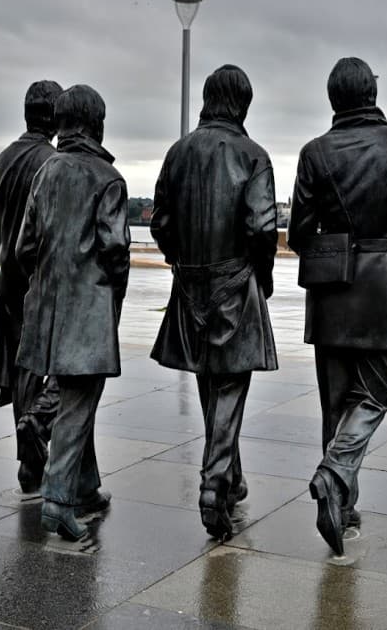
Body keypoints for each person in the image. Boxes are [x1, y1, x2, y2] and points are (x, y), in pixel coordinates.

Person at [288, 57, 387, 555]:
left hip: (331, 290)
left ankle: (342, 503)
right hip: (382, 288)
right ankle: (336, 479)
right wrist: (385, 242)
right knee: (372, 398)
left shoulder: (314, 153)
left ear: (334, 98)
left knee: (335, 403)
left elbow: (297, 233)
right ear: (372, 93)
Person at [150, 64, 278, 540]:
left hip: (190, 281)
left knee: (212, 380)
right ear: (243, 103)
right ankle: (214, 481)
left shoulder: (178, 152)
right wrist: (260, 277)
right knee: (230, 385)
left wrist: (178, 261)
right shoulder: (253, 155)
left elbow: (159, 220)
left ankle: (232, 479)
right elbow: (262, 227)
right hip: (234, 278)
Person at [16, 84, 130, 541]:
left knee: (73, 394)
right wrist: (109, 292)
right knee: (78, 404)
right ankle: (59, 498)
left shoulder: (46, 172)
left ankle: (84, 486)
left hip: (47, 306)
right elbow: (116, 248)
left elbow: (25, 245)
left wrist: (46, 283)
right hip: (87, 308)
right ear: (95, 123)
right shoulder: (107, 179)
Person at [0, 80, 63, 494]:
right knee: (51, 369)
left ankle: (29, 462)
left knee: (23, 372)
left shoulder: (2, 160)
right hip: (39, 278)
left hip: (7, 278)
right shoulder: (53, 162)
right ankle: (33, 456)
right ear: (53, 117)